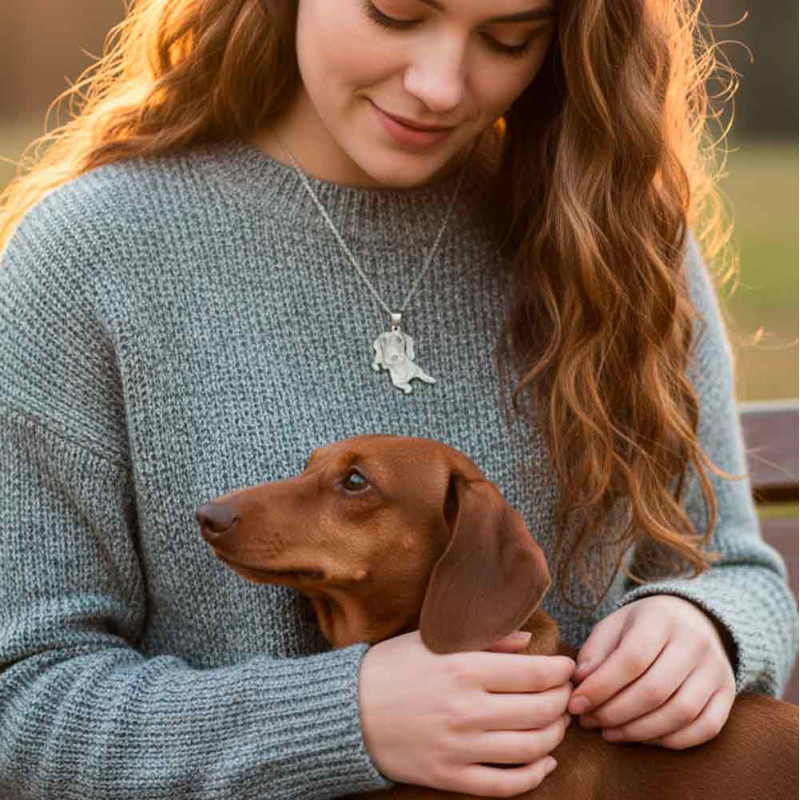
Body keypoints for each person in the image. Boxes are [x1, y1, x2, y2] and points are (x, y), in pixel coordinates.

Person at [0, 0, 796, 798]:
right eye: (395, 13)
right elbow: (21, 705)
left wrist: (708, 627)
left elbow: (733, 568)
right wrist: (339, 719)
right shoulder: (92, 256)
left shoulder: (614, 236)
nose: (439, 86)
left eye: (507, 38)